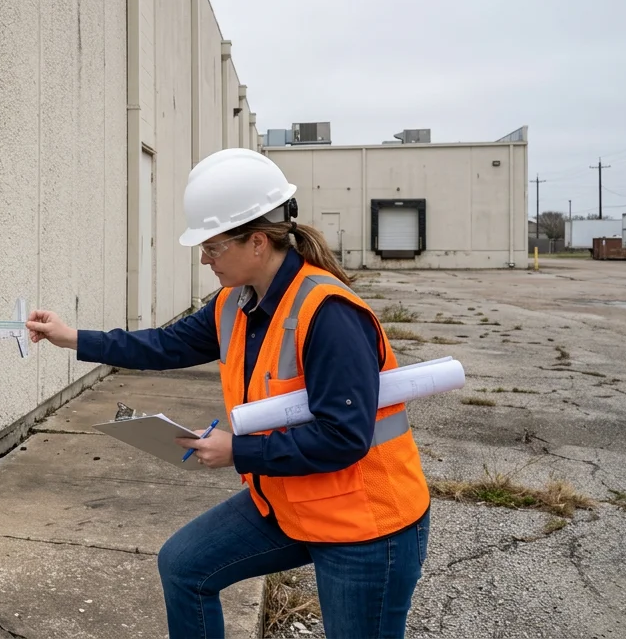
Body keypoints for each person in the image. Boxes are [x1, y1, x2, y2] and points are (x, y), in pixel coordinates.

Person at [26, 148, 431, 639]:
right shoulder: (234, 304)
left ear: (257, 242)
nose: (203, 258)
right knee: (184, 565)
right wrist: (73, 337)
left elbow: (343, 438)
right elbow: (164, 343)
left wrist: (236, 450)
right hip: (290, 501)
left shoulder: (329, 315)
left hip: (366, 524)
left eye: (213, 246)